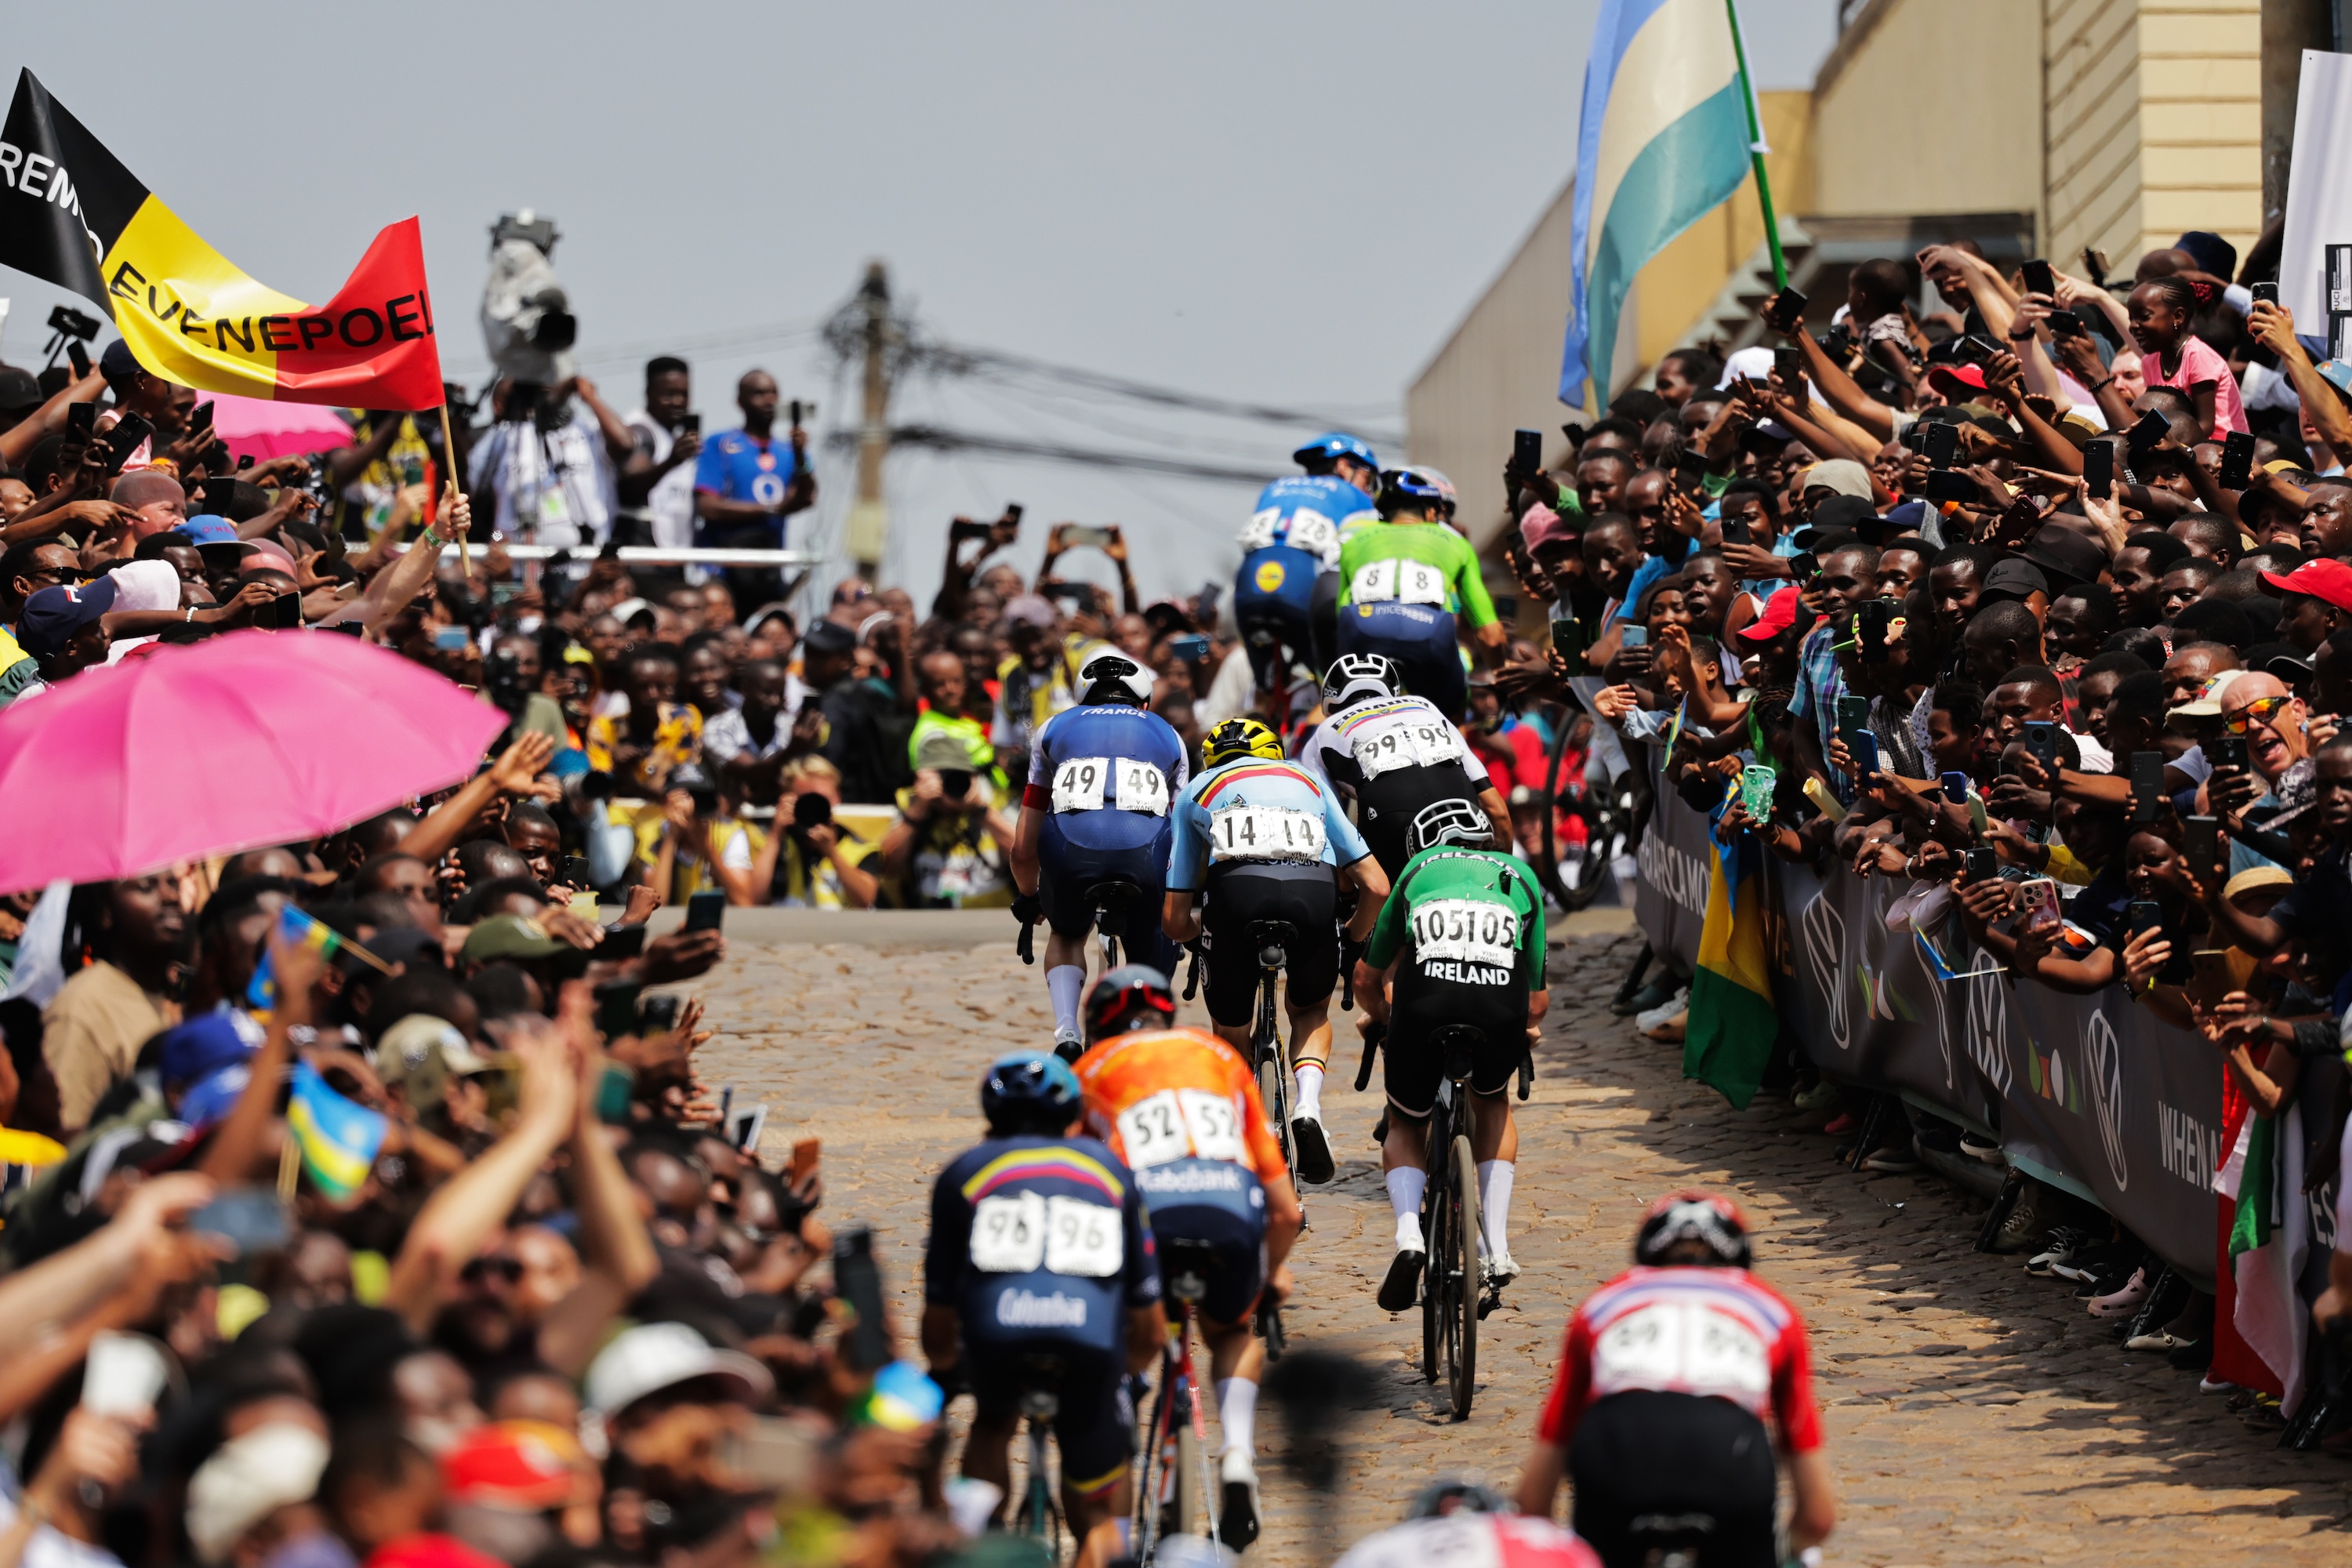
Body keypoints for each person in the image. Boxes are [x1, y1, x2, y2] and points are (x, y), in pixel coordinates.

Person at [1069, 967, 1301, 1551]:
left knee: (1127, 1336)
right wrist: (1270, 1272)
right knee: (1231, 1331)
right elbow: (1286, 1212)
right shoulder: (1219, 1055)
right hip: (1228, 1207)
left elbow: (1075, 1183)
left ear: (1099, 1026)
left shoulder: (1088, 1070)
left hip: (1148, 1213)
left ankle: (1123, 1422)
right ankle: (1238, 1455)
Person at [1514, 1192, 1835, 1568]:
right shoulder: (1774, 1311)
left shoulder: (1601, 1306)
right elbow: (1817, 1518)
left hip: (1615, 1450)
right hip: (1730, 1455)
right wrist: (1790, 1552)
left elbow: (1533, 1502)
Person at [920, 1051, 1163, 1544]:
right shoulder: (1109, 1170)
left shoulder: (963, 1172)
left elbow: (939, 1320)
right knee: (1098, 1508)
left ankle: (980, 1544)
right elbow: (1149, 1327)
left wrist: (948, 1367)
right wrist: (1120, 1376)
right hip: (1087, 1340)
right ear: (1072, 1116)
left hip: (999, 1336)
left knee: (992, 1423)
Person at [1163, 717, 1391, 1185]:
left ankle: (1247, 1130)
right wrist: (1351, 938)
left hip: (1236, 895)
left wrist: (1197, 943)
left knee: (1231, 1027)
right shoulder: (1308, 780)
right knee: (1309, 1011)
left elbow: (1173, 917)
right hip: (1312, 894)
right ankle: (1307, 1106)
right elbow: (1376, 886)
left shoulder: (1196, 791)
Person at [1352, 799, 1548, 1303]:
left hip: (1426, 1000)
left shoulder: (1418, 870)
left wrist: (1383, 1017)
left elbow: (1366, 978)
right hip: (1498, 1004)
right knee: (1493, 1101)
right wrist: (1525, 1029)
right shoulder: (1522, 875)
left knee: (1405, 1122)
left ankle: (1408, 1235)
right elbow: (1537, 999)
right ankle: (1496, 1247)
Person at [1008, 652, 1189, 1056]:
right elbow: (1182, 835)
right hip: (1145, 852)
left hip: (1071, 851)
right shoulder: (1170, 734)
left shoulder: (1053, 728)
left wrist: (1030, 896)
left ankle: (1067, 1031)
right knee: (1153, 941)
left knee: (1068, 932)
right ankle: (1144, 1034)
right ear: (1144, 703)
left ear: (1082, 699)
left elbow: (1023, 847)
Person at [1298, 652, 1511, 880]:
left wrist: (1348, 894)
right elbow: (1497, 810)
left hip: (1393, 817)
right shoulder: (1424, 706)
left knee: (1378, 893)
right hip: (1462, 807)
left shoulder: (1324, 731)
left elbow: (1333, 833)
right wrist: (1506, 877)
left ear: (1330, 702)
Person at [1334, 466, 1505, 720]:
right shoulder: (1455, 541)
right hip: (1428, 631)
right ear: (1432, 511)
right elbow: (1490, 635)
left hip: (1363, 628)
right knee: (1450, 716)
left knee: (1345, 715)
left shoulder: (1354, 542)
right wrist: (1502, 680)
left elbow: (1340, 614)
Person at [1232, 474, 1374, 695]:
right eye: (1369, 480)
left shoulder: (1275, 487)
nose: (1369, 488)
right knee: (1333, 686)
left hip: (1249, 584)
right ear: (1344, 466)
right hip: (1300, 584)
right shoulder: (1355, 496)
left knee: (1266, 687)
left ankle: (1266, 696)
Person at [693, 370, 814, 609]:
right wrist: (769, 509)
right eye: (759, 394)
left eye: (773, 393)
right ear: (740, 401)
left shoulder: (788, 451)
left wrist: (801, 457)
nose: (769, 400)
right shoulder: (720, 444)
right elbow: (708, 507)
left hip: (767, 569)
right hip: (723, 568)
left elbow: (805, 498)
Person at [616, 355, 703, 556]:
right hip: (644, 555)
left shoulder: (672, 435)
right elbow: (629, 487)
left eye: (684, 394)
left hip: (674, 554)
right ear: (649, 394)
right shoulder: (641, 431)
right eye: (669, 395)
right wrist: (671, 462)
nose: (678, 402)